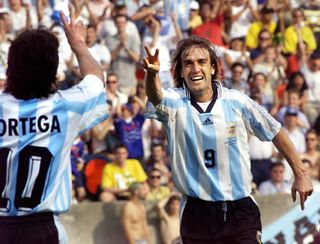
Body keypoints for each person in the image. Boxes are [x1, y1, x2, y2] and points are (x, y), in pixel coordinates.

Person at [143, 35, 313, 243]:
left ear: (213, 68)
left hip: (239, 210)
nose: (195, 68)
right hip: (197, 214)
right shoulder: (175, 103)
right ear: (181, 71)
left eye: (202, 62)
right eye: (188, 64)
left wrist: (300, 172)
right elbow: (155, 95)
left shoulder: (237, 102)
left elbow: (275, 131)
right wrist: (152, 75)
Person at [0, 8, 108, 244]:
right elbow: (96, 79)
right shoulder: (68, 107)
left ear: (10, 67)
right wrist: (78, 43)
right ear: (53, 72)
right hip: (43, 228)